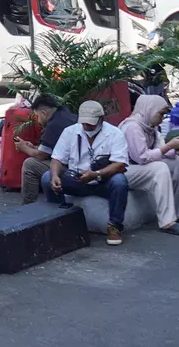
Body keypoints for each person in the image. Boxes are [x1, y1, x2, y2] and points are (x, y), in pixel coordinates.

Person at [42, 100, 131, 246]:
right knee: (47, 178)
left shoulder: (115, 134)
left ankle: (114, 226)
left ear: (101, 119)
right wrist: (55, 176)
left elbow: (119, 164)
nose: (87, 126)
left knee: (120, 181)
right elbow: (57, 159)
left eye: (91, 123)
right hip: (76, 178)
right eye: (84, 123)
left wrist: (96, 174)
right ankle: (58, 221)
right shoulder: (70, 131)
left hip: (102, 180)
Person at [118, 95, 179, 236]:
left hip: (141, 168)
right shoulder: (132, 127)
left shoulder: (150, 127)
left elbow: (163, 149)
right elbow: (142, 158)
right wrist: (168, 147)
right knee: (160, 168)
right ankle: (167, 222)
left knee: (178, 163)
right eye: (161, 114)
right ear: (150, 110)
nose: (161, 118)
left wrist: (175, 147)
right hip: (125, 171)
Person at [15, 93, 79, 204]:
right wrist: (32, 147)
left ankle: (28, 205)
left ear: (44, 113)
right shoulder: (66, 114)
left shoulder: (54, 125)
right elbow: (51, 149)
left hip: (71, 167)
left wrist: (24, 148)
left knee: (30, 164)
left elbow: (41, 155)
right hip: (76, 161)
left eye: (37, 116)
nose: (37, 120)